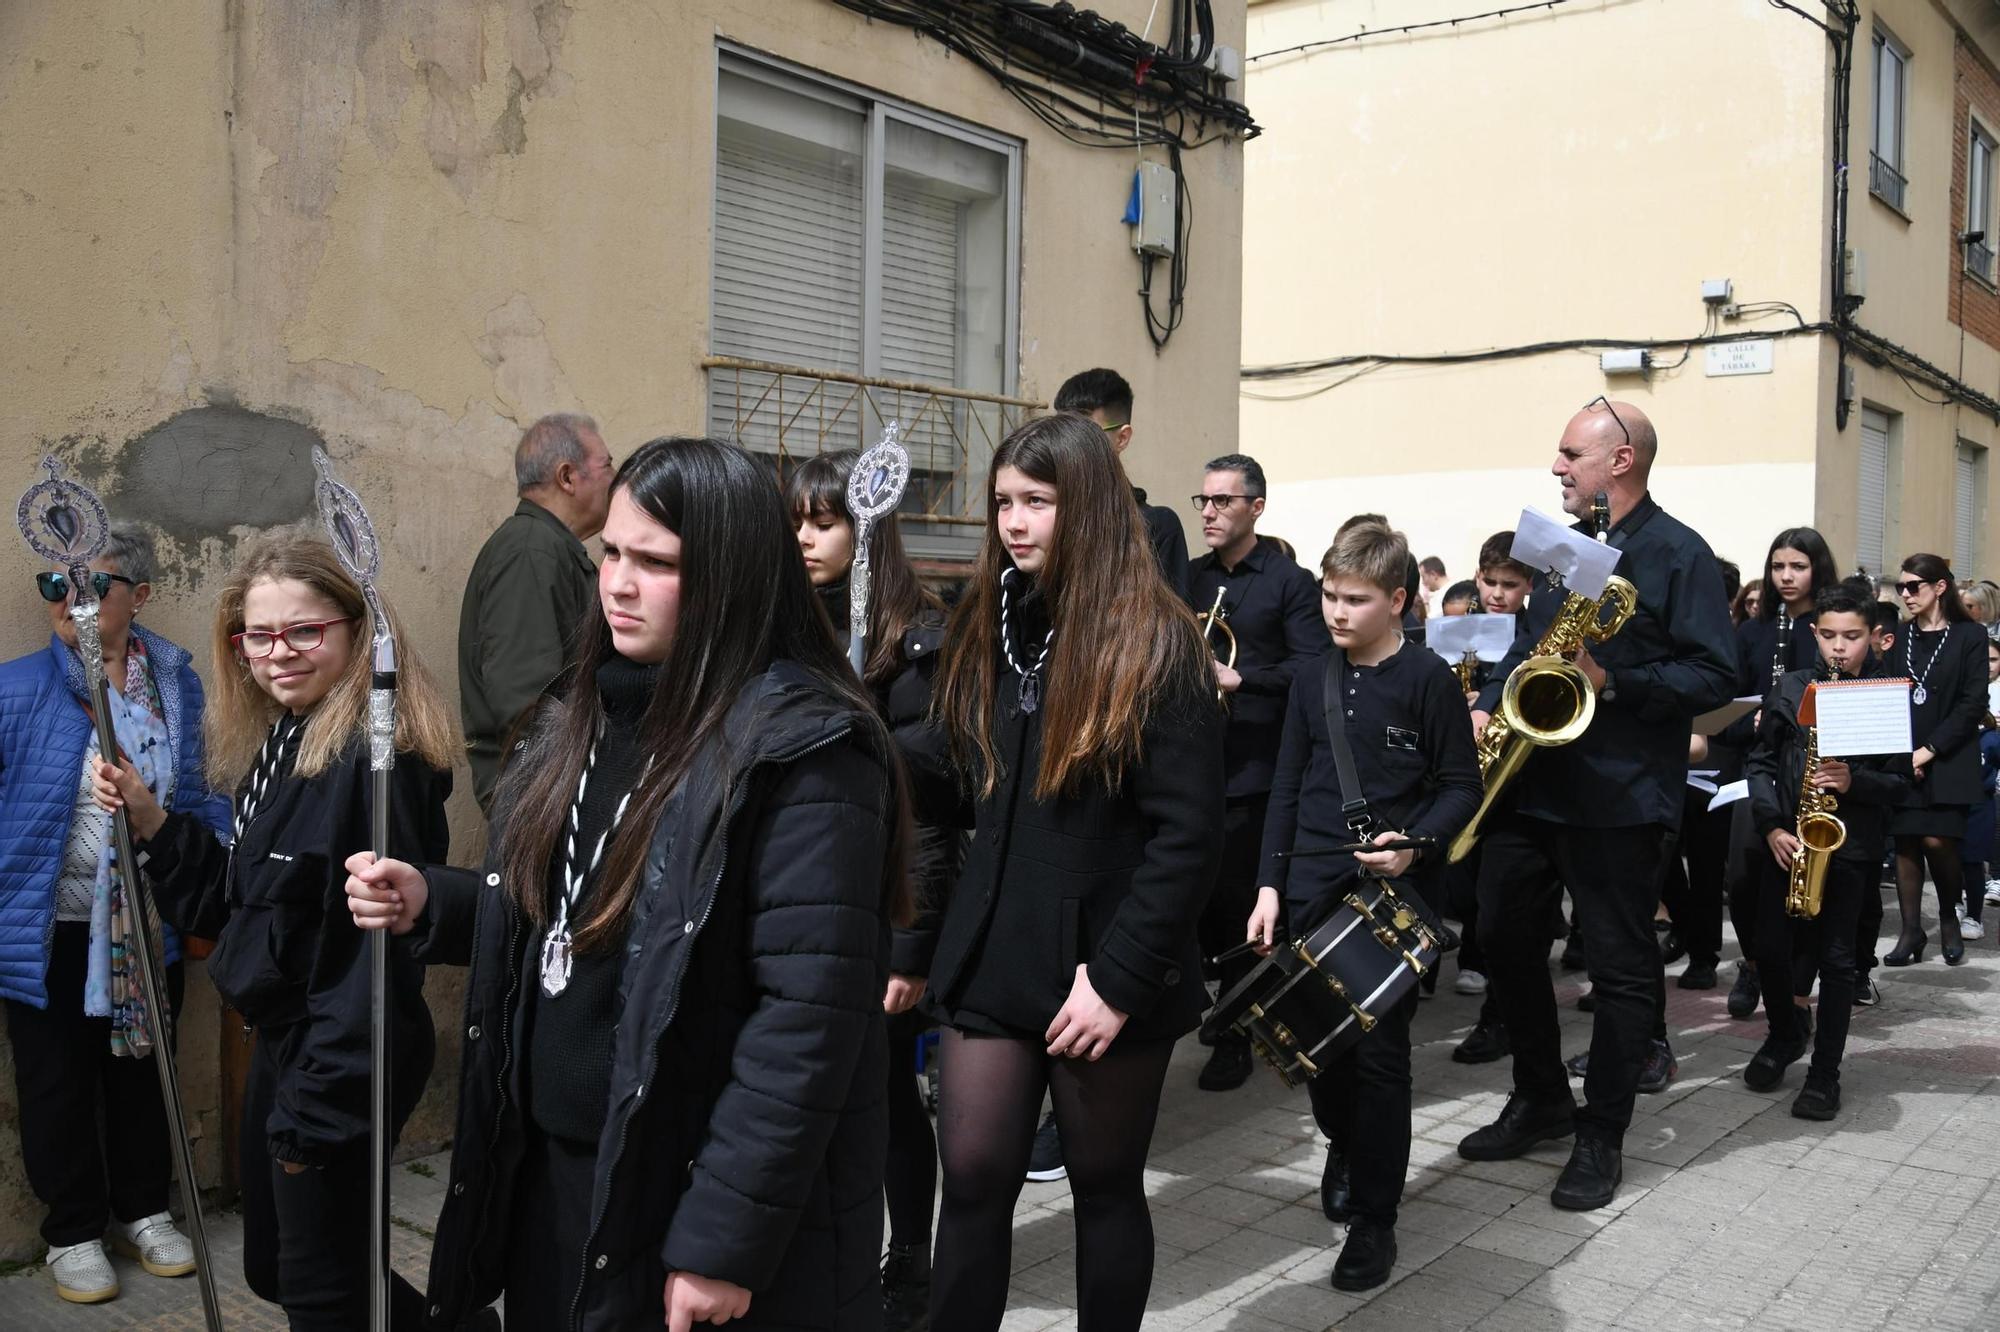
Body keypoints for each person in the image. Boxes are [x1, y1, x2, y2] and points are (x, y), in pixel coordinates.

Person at [346, 437, 906, 1332]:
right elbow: (561, 910)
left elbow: (804, 1027)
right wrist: (435, 902)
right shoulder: (587, 711)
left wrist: (722, 1241)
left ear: (730, 575)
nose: (617, 582)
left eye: (656, 562)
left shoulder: (808, 752)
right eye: (610, 552)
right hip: (558, 1176)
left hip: (684, 1187)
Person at [91, 532, 457, 1329]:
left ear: (359, 632)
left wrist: (315, 1118)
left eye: (303, 630)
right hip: (287, 1042)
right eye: (258, 635)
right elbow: (236, 906)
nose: (276, 652)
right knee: (281, 1265)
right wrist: (153, 819)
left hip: (343, 1052)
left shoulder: (374, 760)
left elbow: (370, 963)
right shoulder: (285, 735)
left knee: (321, 1288)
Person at [923, 412, 1222, 1331]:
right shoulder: (988, 618)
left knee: (1101, 1182)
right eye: (1004, 501)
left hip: (1104, 963)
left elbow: (1188, 836)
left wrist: (1121, 981)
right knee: (972, 1176)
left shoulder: (1155, 642)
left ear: (1085, 507)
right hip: (994, 946)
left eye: (1038, 502)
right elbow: (953, 772)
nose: (1014, 521)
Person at [1459, 399, 1735, 1212]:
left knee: (1619, 971)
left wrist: (1613, 681)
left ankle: (1602, 1133)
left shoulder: (1680, 554)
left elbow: (1714, 677)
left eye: (1569, 453)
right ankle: (1541, 1096)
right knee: (1503, 938)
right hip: (1531, 784)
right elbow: (1527, 643)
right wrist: (1487, 701)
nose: (1556, 467)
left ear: (1621, 461)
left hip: (1618, 797)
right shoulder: (1568, 550)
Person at [0, 523, 231, 1305]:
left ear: (139, 595)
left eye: (95, 585)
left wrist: (208, 875)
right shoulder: (14, 686)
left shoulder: (175, 684)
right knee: (55, 1080)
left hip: (146, 916)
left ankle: (142, 1209)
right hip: (46, 923)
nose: (75, 601)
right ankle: (71, 1230)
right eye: (57, 586)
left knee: (141, 1071)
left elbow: (199, 791)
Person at [1246, 521, 1480, 1292]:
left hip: (1395, 898)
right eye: (1329, 594)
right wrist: (1269, 885)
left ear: (1398, 600)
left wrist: (1416, 845)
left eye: (1355, 599)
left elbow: (1460, 788)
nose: (1337, 611)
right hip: (1312, 889)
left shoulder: (1429, 680)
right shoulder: (1313, 675)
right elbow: (1285, 786)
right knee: (1318, 1053)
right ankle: (1346, 1144)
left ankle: (1375, 1223)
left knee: (1381, 1063)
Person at [787, 449, 959, 1332]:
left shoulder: (920, 638)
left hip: (882, 905)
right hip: (799, 902)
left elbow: (926, 810)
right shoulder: (783, 625)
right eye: (798, 521)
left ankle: (911, 1259)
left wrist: (907, 943)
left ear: (865, 531)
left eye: (824, 521)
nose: (805, 537)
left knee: (889, 1098)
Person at [1742, 580, 1910, 1117]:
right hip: (1788, 842)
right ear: (1815, 634)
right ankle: (1786, 1033)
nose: (1840, 648)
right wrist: (1771, 825)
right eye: (1830, 636)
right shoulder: (1791, 687)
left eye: (1853, 637)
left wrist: (1854, 781)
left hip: (1849, 847)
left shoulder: (1884, 695)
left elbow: (1902, 783)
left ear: (1874, 638)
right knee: (1769, 950)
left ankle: (1824, 1074)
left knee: (1837, 963)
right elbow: (1761, 762)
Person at [1186, 452, 1324, 1092]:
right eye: (1204, 502)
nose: (1209, 512)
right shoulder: (1188, 578)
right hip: (1197, 760)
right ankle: (1221, 1012)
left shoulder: (1290, 583)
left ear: (1256, 508)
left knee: (1247, 902)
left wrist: (1241, 678)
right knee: (1206, 900)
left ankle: (1239, 1033)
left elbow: (1313, 666)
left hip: (1257, 766)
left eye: (1222, 502)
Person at [459, 413, 615, 811]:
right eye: (607, 466)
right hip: (540, 798)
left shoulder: (548, 547)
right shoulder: (531, 551)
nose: (615, 480)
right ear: (567, 477)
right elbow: (526, 702)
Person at [1723, 529, 1841, 1020]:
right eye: (1778, 567)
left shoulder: (1831, 628)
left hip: (1810, 772)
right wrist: (1746, 718)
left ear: (1817, 570)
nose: (1786, 577)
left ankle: (1797, 986)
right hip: (1757, 766)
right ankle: (1754, 963)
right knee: (1743, 873)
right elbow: (1724, 695)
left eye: (1798, 566)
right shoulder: (1753, 629)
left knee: (1807, 883)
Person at [1450, 531, 1533, 1065]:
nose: (1497, 593)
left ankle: (1501, 1014)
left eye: (1510, 584)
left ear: (1529, 585)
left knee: (1509, 908)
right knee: (1477, 888)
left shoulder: (1534, 632)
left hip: (1521, 777)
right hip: (1470, 773)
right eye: (1490, 582)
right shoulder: (1461, 632)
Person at [1882, 553, 1990, 967]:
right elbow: (1889, 691)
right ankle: (1910, 931)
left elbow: (1972, 702)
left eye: (1914, 586)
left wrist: (1929, 750)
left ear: (1939, 587)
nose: (1906, 595)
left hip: (1950, 755)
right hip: (1904, 754)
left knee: (1938, 840)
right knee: (1907, 842)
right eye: (1901, 587)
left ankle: (1947, 914)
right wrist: (1905, 754)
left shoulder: (1970, 636)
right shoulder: (1901, 636)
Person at [1053, 368, 1190, 602]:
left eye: (1086, 433)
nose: (1069, 444)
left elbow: (1169, 623)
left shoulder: (1157, 526)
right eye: (1060, 431)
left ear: (1122, 438)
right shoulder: (1044, 513)